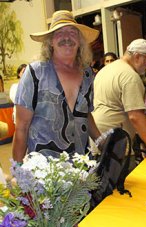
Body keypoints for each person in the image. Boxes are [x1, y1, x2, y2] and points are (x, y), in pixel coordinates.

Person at [12, 10, 102, 162]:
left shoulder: (87, 74)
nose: (66, 37)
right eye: (59, 32)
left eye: (72, 32)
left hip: (82, 168)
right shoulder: (35, 73)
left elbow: (85, 114)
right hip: (46, 174)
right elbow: (22, 127)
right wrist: (18, 170)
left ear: (79, 40)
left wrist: (102, 141)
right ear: (50, 41)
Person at [92, 38, 146, 157]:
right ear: (137, 56)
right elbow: (135, 116)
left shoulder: (106, 69)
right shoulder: (130, 76)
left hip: (99, 136)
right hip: (115, 142)